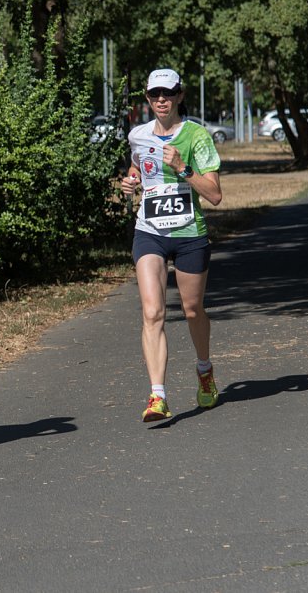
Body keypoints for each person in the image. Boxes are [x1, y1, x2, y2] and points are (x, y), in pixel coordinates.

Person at [120, 68, 223, 422]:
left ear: (179, 96)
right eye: (154, 95)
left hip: (189, 234)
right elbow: (138, 166)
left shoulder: (197, 136)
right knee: (152, 312)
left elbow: (215, 195)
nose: (161, 100)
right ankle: (157, 396)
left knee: (192, 310)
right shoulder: (138, 135)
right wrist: (131, 181)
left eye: (168, 93)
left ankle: (205, 370)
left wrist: (183, 168)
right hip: (149, 231)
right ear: (147, 99)